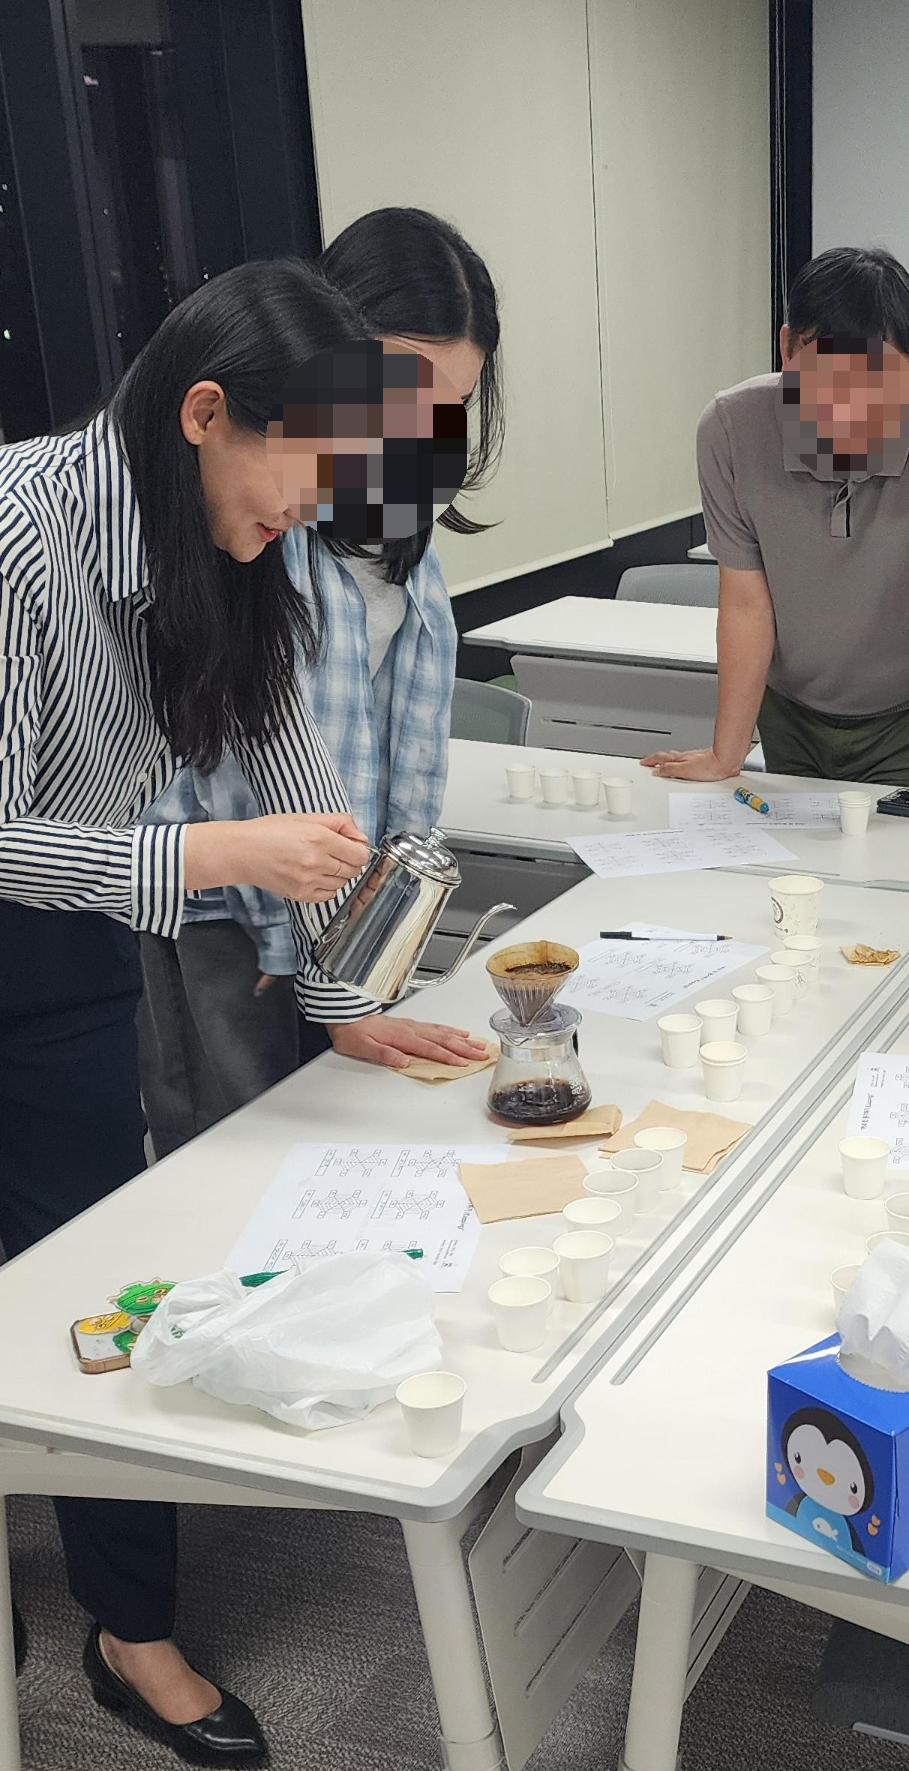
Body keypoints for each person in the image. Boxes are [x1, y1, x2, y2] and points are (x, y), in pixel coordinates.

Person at [0, 259, 407, 1761]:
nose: (312, 504)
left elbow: (294, 762)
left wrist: (348, 989)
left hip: (71, 949)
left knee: (91, 1288)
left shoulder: (235, 537)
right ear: (204, 412)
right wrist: (211, 854)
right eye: (304, 464)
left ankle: (130, 1624)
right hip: (42, 886)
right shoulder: (18, 533)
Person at [138, 209, 503, 1158]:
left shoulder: (404, 535)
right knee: (232, 1160)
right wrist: (290, 930)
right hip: (227, 909)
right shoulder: (249, 511)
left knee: (337, 1147)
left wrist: (357, 953)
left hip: (335, 909)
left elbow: (401, 753)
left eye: (450, 402)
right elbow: (226, 752)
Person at [642, 245, 909, 863]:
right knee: (794, 873)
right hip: (791, 712)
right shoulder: (732, 429)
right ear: (787, 350)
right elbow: (746, 601)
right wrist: (726, 754)